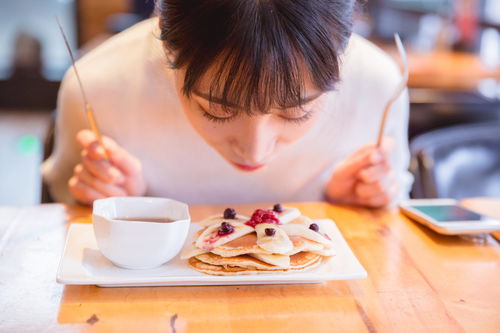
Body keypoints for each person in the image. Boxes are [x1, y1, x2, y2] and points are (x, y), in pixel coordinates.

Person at [42, 0, 412, 207]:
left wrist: (359, 200)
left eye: (295, 112)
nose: (254, 152)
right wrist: (108, 200)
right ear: (168, 45)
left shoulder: (378, 88)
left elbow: (395, 233)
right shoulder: (99, 88)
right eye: (217, 109)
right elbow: (59, 225)